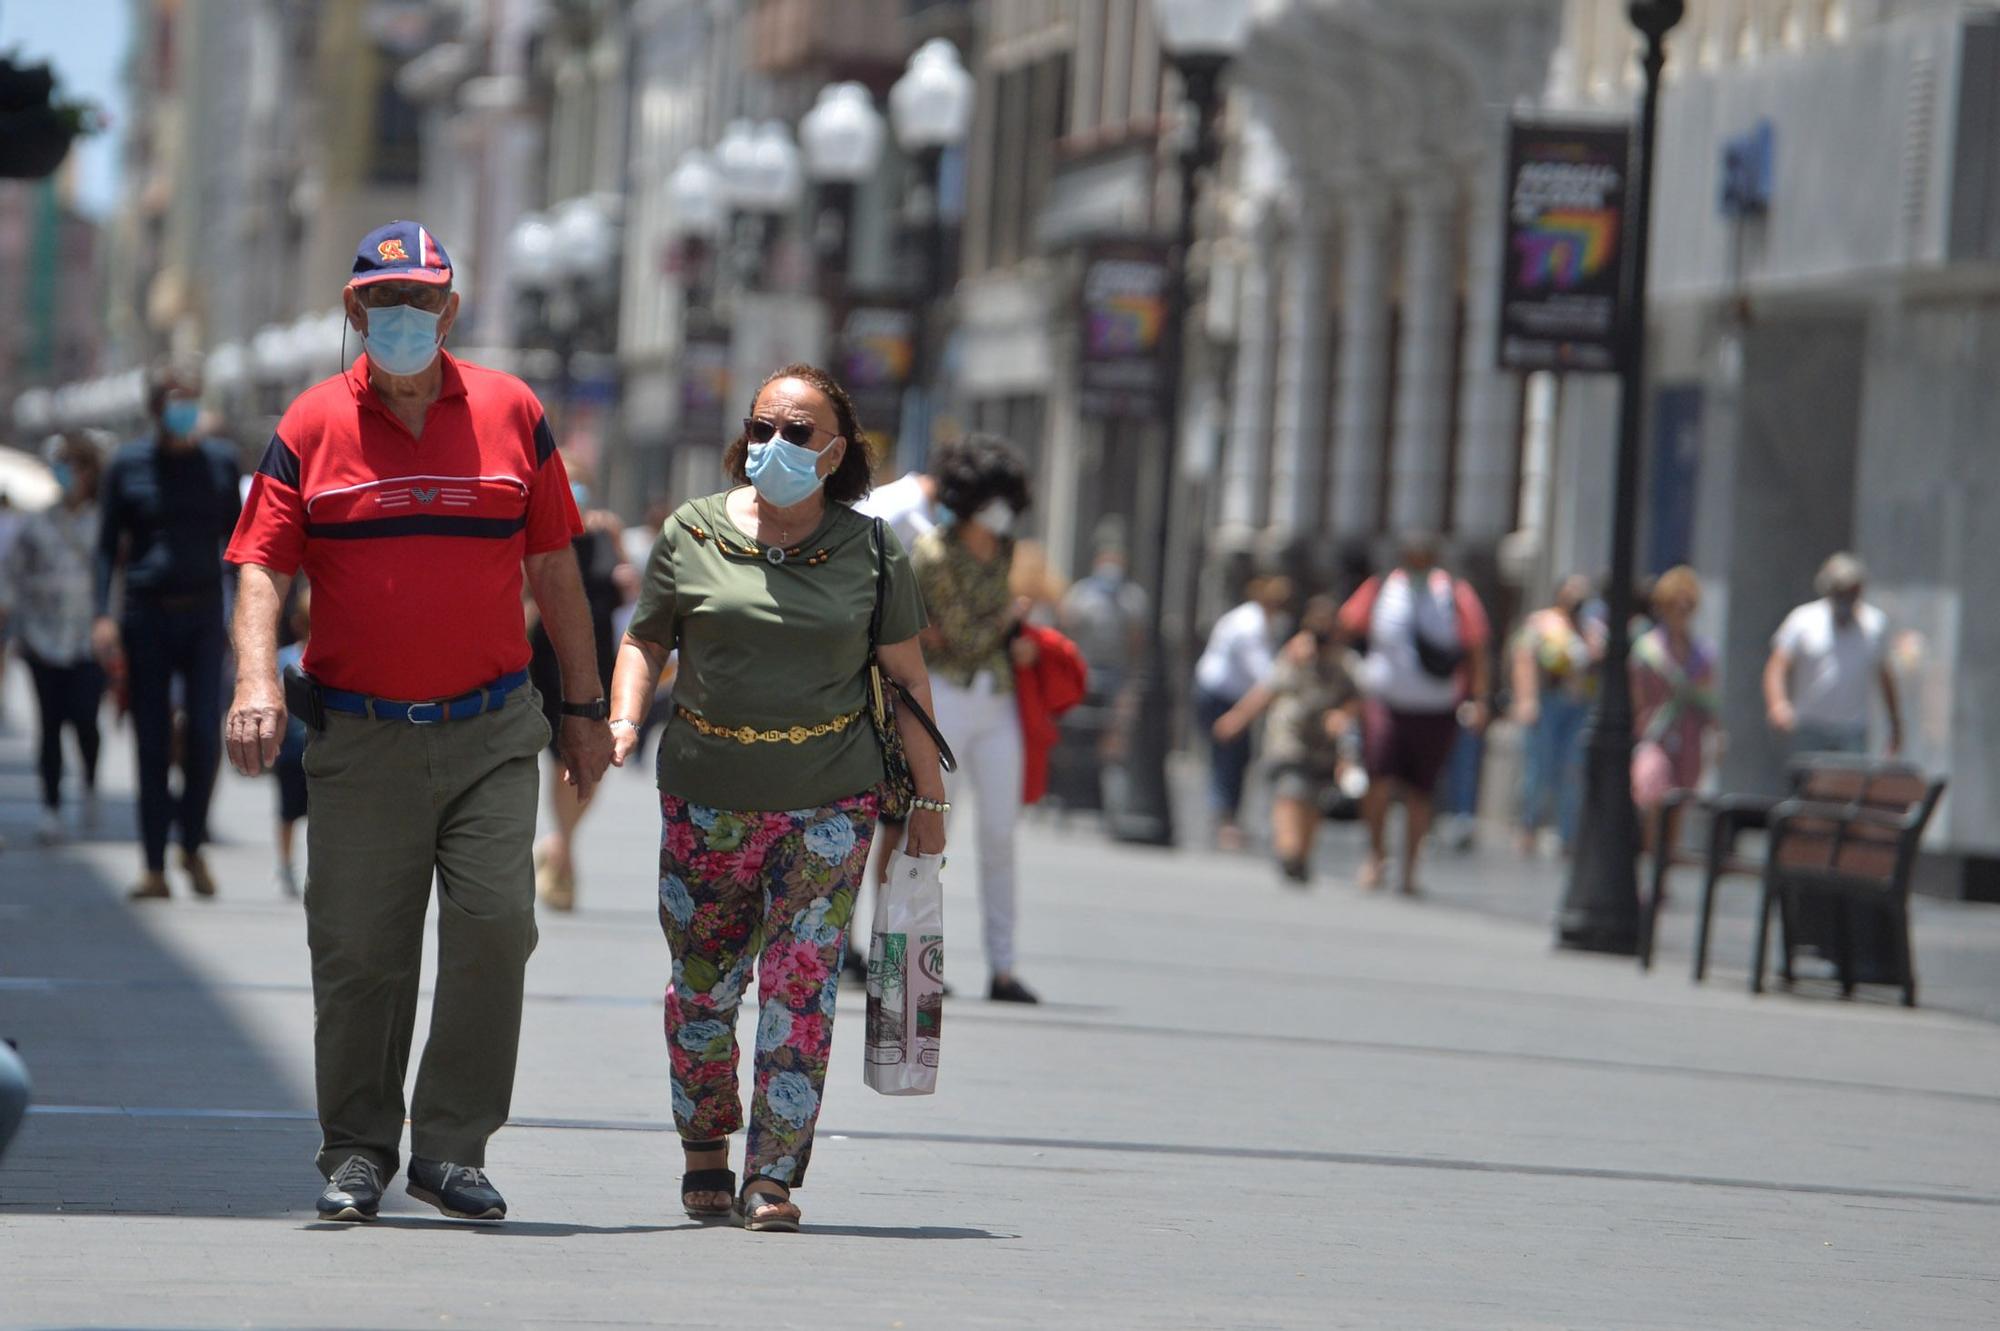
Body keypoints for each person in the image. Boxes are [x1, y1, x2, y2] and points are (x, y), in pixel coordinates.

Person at [223, 221, 613, 1224]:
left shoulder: (512, 411)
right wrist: (257, 680)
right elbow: (263, 567)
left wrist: (582, 707)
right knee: (360, 949)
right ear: (356, 311)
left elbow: (556, 567)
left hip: (490, 730)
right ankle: (357, 1147)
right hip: (359, 736)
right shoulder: (310, 423)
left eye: (423, 300)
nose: (405, 318)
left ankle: (450, 1145)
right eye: (384, 302)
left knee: (498, 922)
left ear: (450, 308)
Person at [609, 363, 946, 1233]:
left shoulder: (873, 550)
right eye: (763, 428)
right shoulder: (691, 532)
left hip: (832, 800)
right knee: (704, 985)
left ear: (837, 452)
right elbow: (645, 639)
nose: (776, 446)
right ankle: (706, 1148)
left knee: (801, 984)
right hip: (706, 796)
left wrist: (931, 805)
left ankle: (772, 1173)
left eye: (798, 433)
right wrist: (620, 716)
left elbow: (906, 680)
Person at [94, 361, 241, 900]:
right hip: (146, 614)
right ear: (155, 406)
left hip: (204, 614)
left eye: (191, 398)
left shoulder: (220, 462)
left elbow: (244, 541)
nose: (184, 409)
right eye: (174, 399)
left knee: (205, 734)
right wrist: (102, 615)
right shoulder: (126, 464)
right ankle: (155, 865)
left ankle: (193, 844)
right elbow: (107, 546)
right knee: (152, 741)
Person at [912, 434, 1041, 1005]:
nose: (1002, 509)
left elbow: (966, 632)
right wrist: (1009, 620)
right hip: (948, 699)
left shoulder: (1007, 549)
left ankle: (1004, 965)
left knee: (1000, 833)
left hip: (997, 699)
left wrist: (1002, 628)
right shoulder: (934, 554)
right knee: (934, 831)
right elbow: (961, 640)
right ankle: (921, 963)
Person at [1338, 533, 1491, 896]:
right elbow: (1346, 626)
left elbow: (1477, 647)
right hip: (1385, 702)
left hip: (1436, 707)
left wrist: (1480, 698)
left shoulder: (1454, 593)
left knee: (1420, 791)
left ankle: (1410, 870)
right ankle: (1376, 855)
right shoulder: (1380, 590)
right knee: (1376, 778)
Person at [528, 486, 632, 912]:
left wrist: (619, 542)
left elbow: (630, 588)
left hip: (600, 662)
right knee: (560, 761)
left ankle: (558, 844)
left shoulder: (603, 537)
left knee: (596, 759)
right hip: (548, 661)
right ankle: (564, 854)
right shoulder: (538, 533)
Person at [0, 434, 107, 844]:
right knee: (49, 725)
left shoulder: (102, 521)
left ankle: (91, 785)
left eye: (73, 467)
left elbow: (113, 576)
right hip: (41, 639)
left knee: (85, 719)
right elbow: (12, 574)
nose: (66, 475)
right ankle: (51, 807)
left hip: (86, 640)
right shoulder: (37, 522)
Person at [1212, 596, 1360, 885]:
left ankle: (1302, 854)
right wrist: (1238, 717)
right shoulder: (1294, 655)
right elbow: (1268, 688)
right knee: (1290, 792)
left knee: (1313, 800)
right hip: (1289, 738)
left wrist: (1342, 716)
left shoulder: (1345, 662)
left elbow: (1358, 698)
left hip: (1323, 745)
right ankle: (1289, 851)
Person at [1764, 552, 1901, 757]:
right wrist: (1778, 704)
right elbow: (1777, 666)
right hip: (1810, 727)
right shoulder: (1803, 620)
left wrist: (1895, 723)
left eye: (1850, 592)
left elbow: (1884, 675)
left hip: (1852, 729)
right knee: (1808, 785)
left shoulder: (1875, 625)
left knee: (1849, 786)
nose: (1845, 598)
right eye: (1840, 591)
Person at [1193, 574, 1292, 850]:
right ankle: (1225, 822)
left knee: (1234, 757)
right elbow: (1266, 677)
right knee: (1228, 758)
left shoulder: (1258, 620)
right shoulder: (1250, 625)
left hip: (1229, 696)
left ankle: (1226, 818)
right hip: (1221, 697)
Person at [1632, 566, 1720, 857]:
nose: (1681, 611)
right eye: (1675, 604)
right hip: (1655, 733)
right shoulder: (1647, 650)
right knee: (1654, 795)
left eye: (1687, 605)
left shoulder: (1703, 653)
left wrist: (1717, 733)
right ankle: (1649, 860)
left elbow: (1709, 698)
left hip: (1690, 734)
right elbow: (1637, 697)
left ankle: (1663, 869)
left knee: (1679, 804)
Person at [1510, 574, 1600, 855]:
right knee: (1540, 767)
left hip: (1578, 705)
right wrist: (1526, 699)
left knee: (1572, 769)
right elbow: (1523, 659)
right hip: (1548, 702)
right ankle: (1529, 826)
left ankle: (1568, 834)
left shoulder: (1591, 628)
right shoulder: (1542, 623)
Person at [271, 585, 312, 898]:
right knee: (288, 813)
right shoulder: (286, 660)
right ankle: (286, 864)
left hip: (314, 749)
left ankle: (307, 867)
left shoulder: (328, 662)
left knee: (311, 815)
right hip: (293, 750)